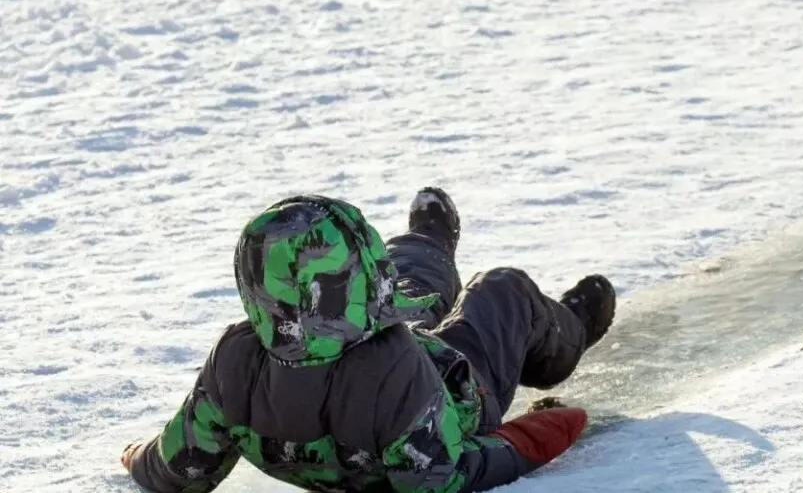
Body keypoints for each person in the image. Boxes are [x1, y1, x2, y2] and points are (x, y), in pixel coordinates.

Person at [121, 188, 617, 492]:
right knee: (501, 292)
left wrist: (135, 456)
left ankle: (428, 240)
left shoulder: (237, 360)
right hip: (461, 384)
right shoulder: (394, 372)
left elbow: (179, 467)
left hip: (387, 353)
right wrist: (541, 430)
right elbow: (440, 480)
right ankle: (568, 330)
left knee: (407, 287)